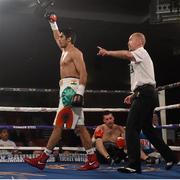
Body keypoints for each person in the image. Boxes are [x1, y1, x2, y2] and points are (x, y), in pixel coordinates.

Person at [24, 13, 99, 171]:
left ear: (69, 38)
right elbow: (55, 36)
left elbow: (84, 74)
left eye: (63, 36)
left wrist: (79, 92)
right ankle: (92, 159)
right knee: (81, 126)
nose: (60, 38)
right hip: (66, 88)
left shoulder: (75, 53)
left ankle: (42, 159)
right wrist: (53, 23)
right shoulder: (64, 51)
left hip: (71, 90)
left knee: (58, 124)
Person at [97, 32, 177, 173]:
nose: (128, 42)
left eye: (130, 40)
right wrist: (133, 95)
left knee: (131, 128)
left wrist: (108, 52)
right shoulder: (138, 58)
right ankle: (170, 157)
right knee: (148, 129)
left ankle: (134, 164)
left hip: (145, 95)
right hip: (144, 94)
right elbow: (143, 79)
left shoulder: (141, 52)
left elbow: (127, 55)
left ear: (139, 41)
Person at [92, 111, 157, 165]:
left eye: (110, 118)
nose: (109, 121)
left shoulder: (120, 128)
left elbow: (128, 141)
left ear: (113, 118)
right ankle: (108, 158)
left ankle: (146, 158)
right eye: (107, 119)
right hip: (103, 156)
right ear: (104, 121)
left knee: (130, 142)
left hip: (116, 154)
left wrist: (122, 143)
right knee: (98, 140)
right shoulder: (100, 128)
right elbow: (93, 142)